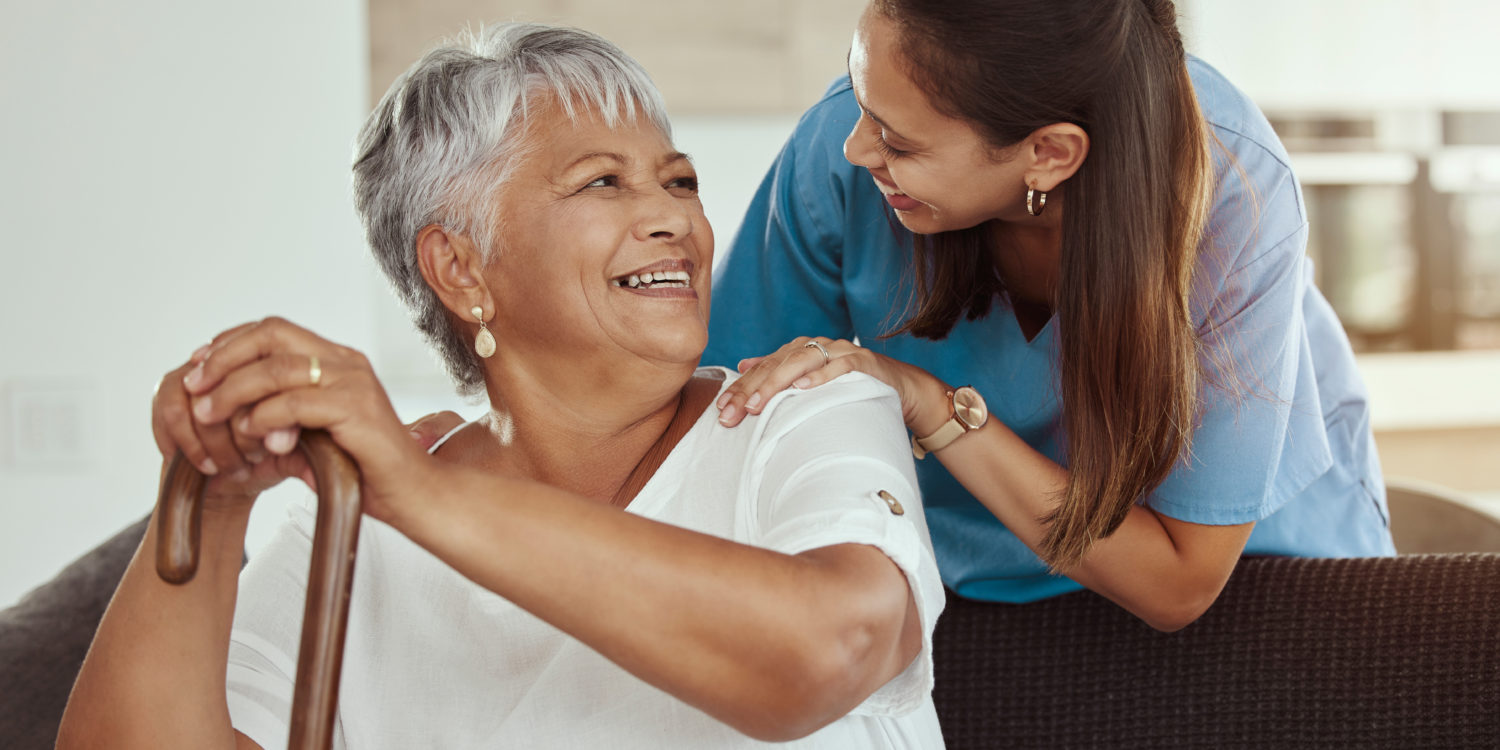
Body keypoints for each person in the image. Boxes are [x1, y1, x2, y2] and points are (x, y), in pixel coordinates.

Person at [57, 24, 946, 749]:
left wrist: (422, 497)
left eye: (680, 181)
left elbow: (832, 651)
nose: (676, 216)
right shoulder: (353, 519)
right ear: (461, 266)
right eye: (604, 182)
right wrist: (210, 501)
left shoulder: (808, 408)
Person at [706, 0, 1394, 632]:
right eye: (862, 106)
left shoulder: (1234, 184)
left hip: (1247, 574)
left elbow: (1178, 582)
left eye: (898, 142)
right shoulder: (840, 149)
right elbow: (729, 430)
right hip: (958, 580)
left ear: (1049, 154)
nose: (857, 148)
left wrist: (931, 405)